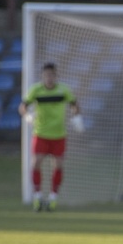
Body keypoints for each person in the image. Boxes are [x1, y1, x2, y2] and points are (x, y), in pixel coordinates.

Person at [19, 62, 83, 212]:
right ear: (42, 76)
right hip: (41, 133)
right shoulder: (35, 90)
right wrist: (27, 116)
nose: (49, 78)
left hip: (59, 134)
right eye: (46, 75)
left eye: (51, 75)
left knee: (59, 165)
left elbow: (74, 105)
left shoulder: (64, 90)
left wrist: (76, 118)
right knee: (36, 164)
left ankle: (53, 197)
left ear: (55, 76)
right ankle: (37, 196)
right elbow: (22, 106)